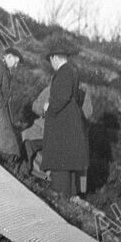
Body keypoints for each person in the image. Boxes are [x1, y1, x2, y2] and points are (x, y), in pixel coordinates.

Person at [41, 40, 89, 198]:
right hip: (69, 122)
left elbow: (61, 97)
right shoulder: (71, 71)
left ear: (54, 58)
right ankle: (69, 201)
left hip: (62, 122)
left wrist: (50, 107)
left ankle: (62, 203)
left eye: (51, 60)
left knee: (59, 164)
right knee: (66, 166)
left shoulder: (64, 73)